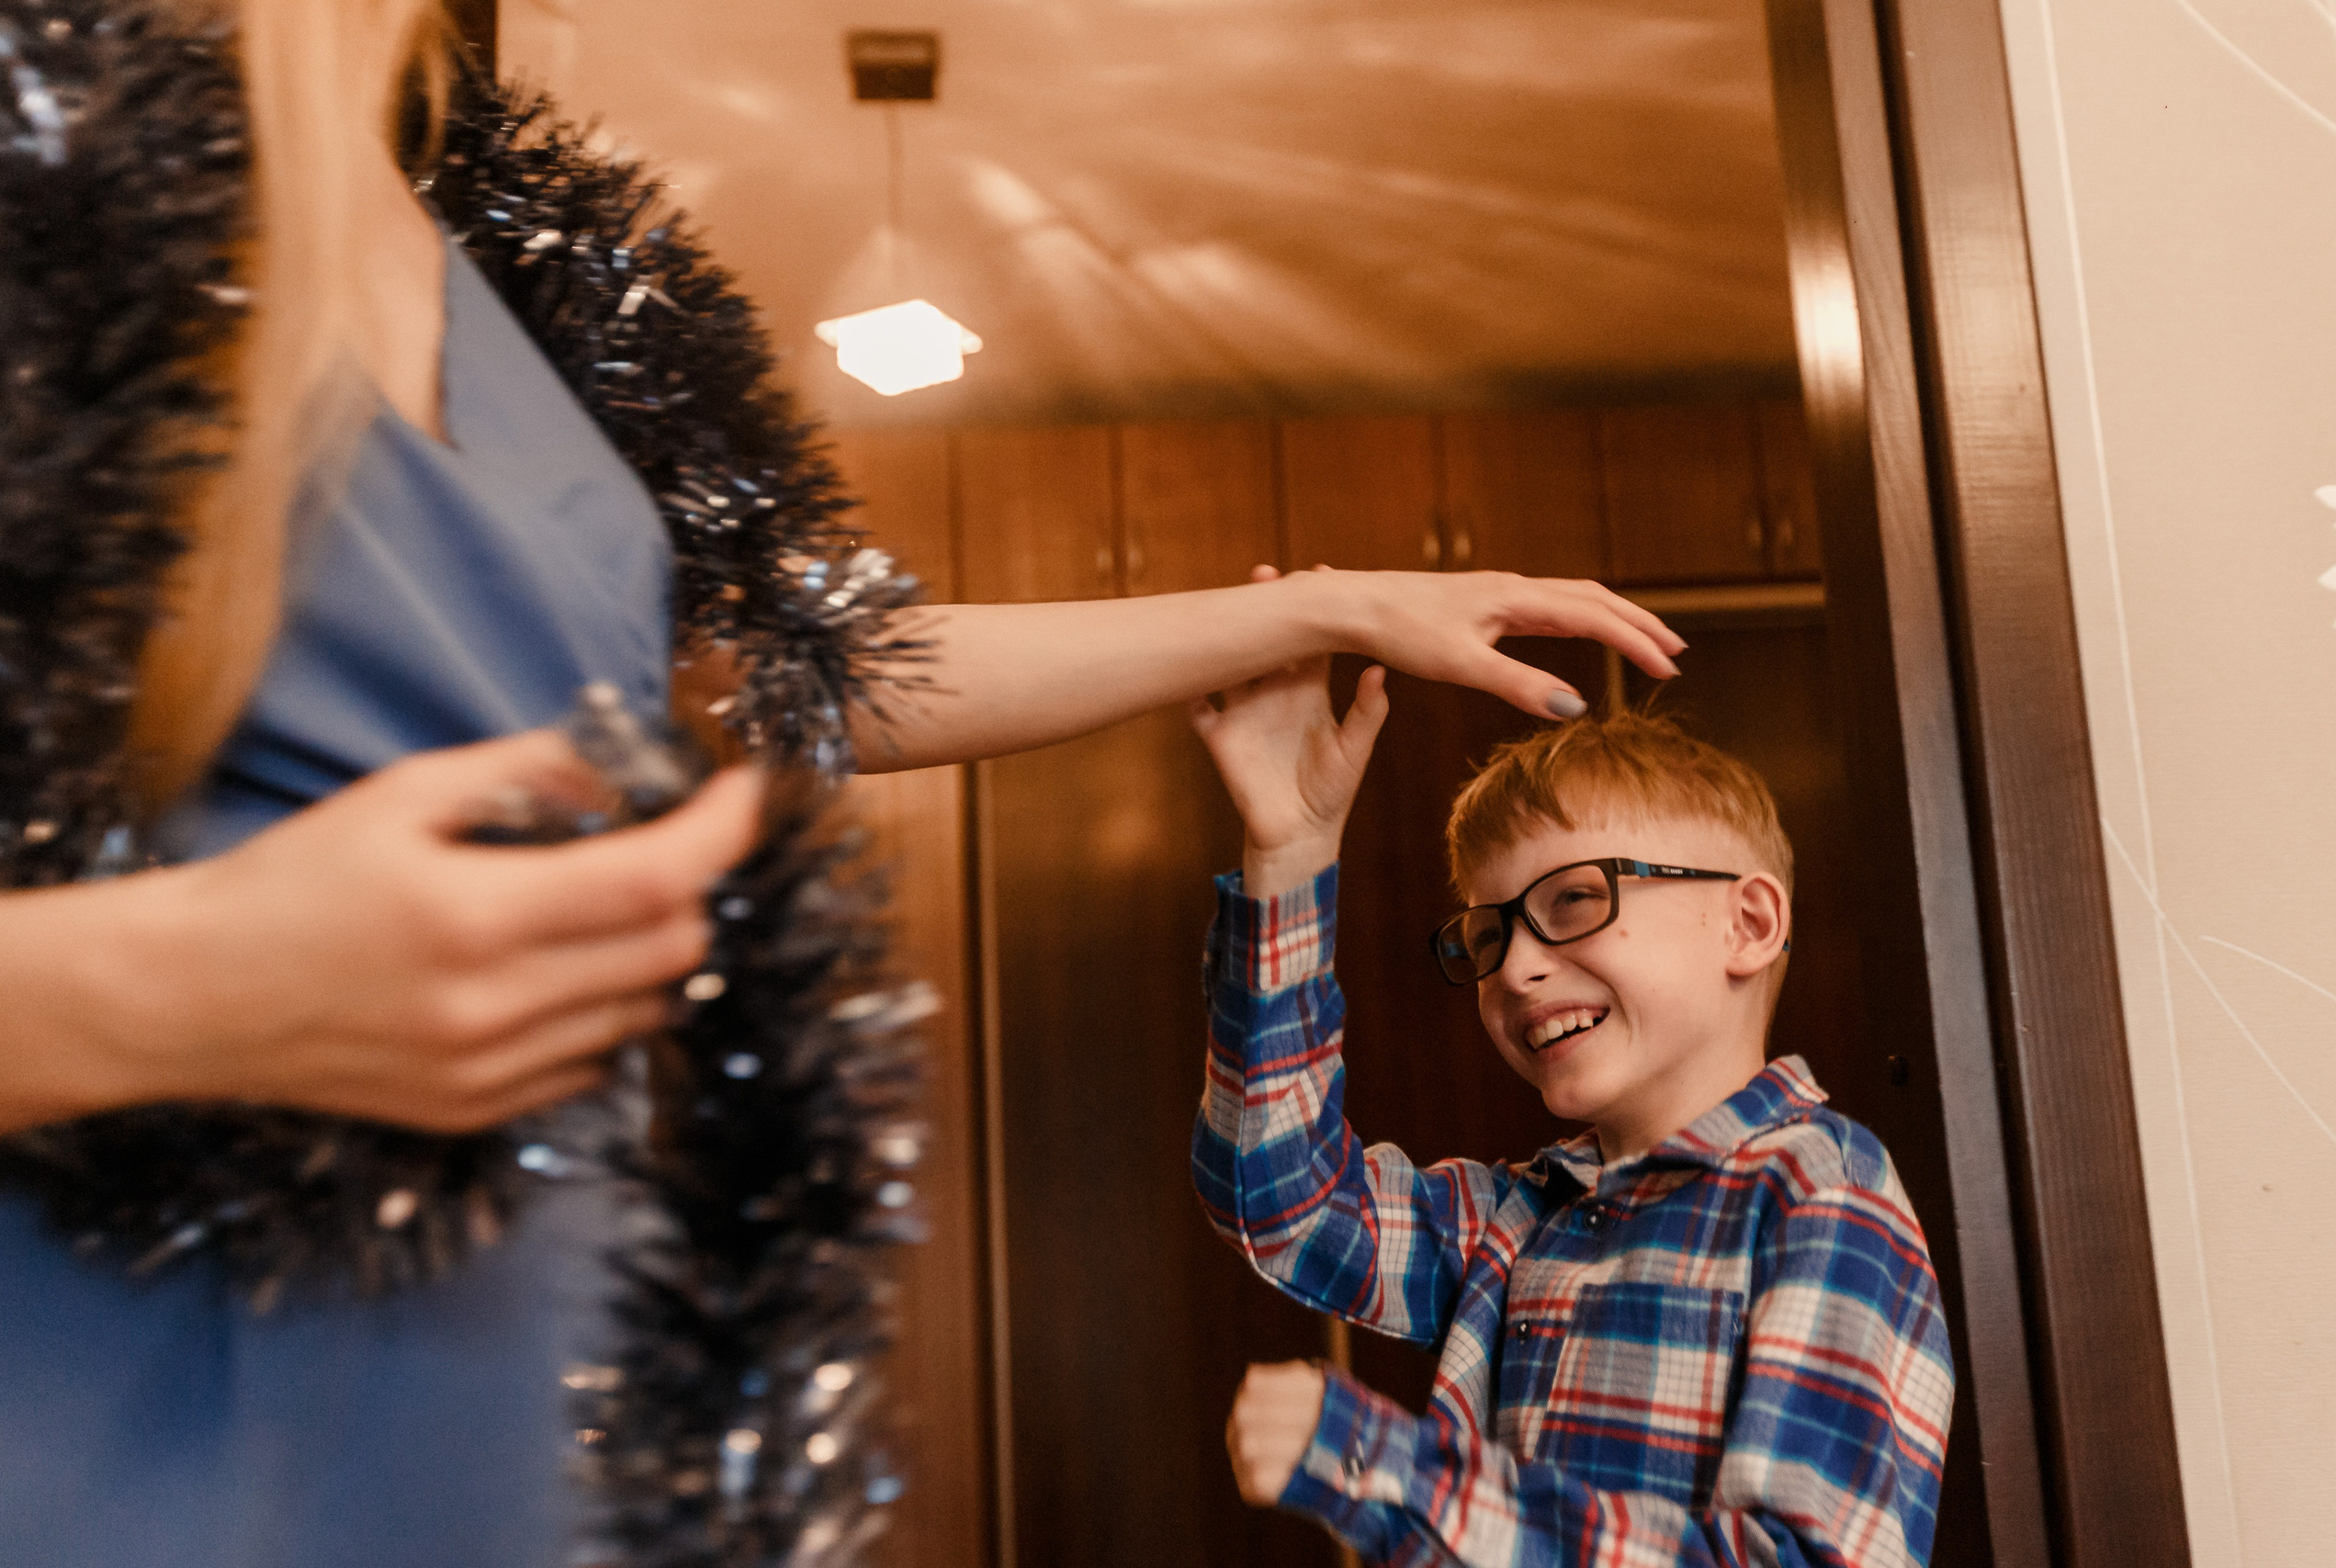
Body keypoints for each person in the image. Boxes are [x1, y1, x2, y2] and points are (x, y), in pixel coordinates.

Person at [0, 2, 1688, 1564]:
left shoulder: (482, 243)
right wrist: (187, 986)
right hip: (124, 1391)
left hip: (488, 1396)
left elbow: (820, 673)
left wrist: (1322, 610)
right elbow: (1291, 1199)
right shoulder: (51, 129)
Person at [1188, 663, 1955, 1566]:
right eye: (1487, 935)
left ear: (1745, 924)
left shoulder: (1821, 1196)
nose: (1514, 971)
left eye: (1575, 901)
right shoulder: (1520, 1219)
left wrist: (1390, 1469)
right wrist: (1289, 858)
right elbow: (1282, 1201)